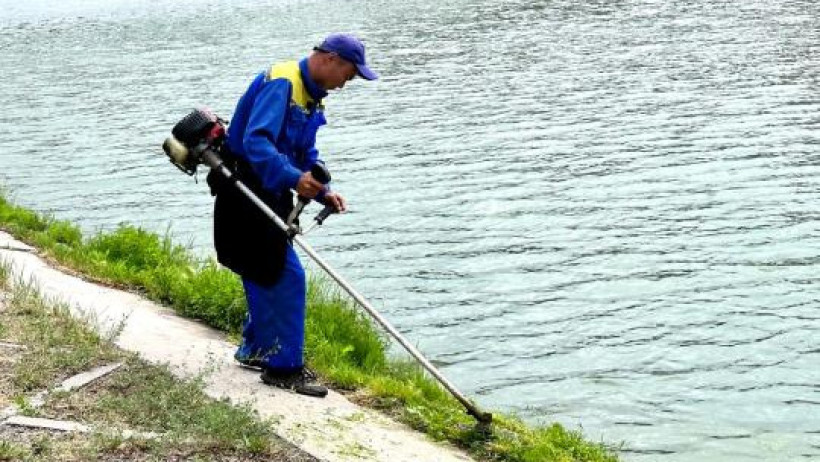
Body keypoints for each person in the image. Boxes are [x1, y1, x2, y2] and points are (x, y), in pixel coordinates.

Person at [208, 34, 378, 398]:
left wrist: (321, 193)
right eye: (350, 73)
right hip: (245, 188)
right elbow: (256, 142)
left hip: (266, 190)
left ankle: (257, 350)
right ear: (330, 59)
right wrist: (293, 179)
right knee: (287, 277)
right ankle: (285, 368)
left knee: (262, 270)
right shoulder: (284, 81)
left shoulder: (312, 96)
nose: (348, 82)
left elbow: (304, 154)